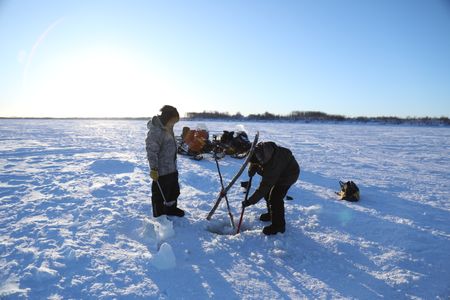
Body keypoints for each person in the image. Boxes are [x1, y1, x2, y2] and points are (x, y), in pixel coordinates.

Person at [242, 142, 300, 235]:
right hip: (279, 171)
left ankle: (279, 226)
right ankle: (271, 214)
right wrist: (252, 169)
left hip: (288, 175)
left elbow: (264, 186)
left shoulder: (272, 165)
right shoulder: (261, 150)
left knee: (275, 198)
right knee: (267, 194)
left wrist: (250, 201)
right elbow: (254, 161)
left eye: (257, 163)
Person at [146, 105, 185, 217]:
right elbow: (151, 151)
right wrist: (154, 169)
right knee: (159, 195)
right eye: (173, 120)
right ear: (168, 118)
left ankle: (171, 209)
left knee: (173, 192)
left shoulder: (168, 128)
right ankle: (159, 215)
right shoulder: (156, 131)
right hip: (161, 171)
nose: (174, 123)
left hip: (172, 168)